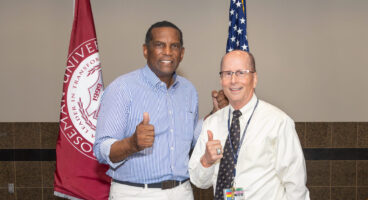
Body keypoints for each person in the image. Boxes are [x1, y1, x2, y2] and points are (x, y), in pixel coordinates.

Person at [94, 21, 227, 200]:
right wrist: (132, 144)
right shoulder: (122, 88)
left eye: (174, 46)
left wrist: (214, 114)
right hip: (135, 193)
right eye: (159, 45)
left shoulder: (188, 90)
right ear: (145, 50)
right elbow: (101, 149)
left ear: (182, 53)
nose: (167, 51)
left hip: (182, 191)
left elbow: (193, 138)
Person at [189, 50, 310, 200]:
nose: (233, 80)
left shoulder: (278, 122)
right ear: (221, 80)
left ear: (254, 79)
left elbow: (295, 186)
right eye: (227, 73)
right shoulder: (212, 124)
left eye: (241, 72)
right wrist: (206, 161)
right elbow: (198, 182)